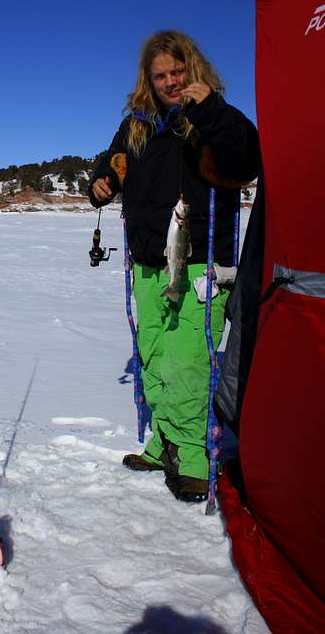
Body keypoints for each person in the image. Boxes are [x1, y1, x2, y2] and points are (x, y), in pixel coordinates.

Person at [89, 30, 260, 503]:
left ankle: (194, 455)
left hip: (201, 264)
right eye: (160, 74)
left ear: (193, 69)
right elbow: (111, 166)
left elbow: (247, 159)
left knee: (187, 362)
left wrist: (209, 111)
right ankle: (163, 441)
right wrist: (101, 184)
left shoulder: (215, 116)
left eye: (177, 72)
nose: (169, 81)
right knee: (155, 357)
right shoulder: (137, 125)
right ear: (148, 78)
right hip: (148, 265)